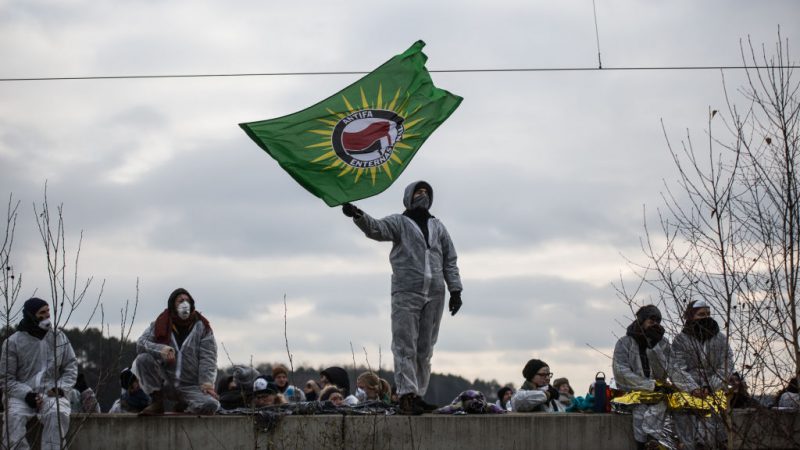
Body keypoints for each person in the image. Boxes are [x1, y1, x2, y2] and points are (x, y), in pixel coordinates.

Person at [342, 180, 463, 415]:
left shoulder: (438, 226)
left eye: (427, 192)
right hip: (406, 291)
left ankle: (418, 394)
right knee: (404, 345)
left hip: (435, 293)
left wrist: (455, 289)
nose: (423, 195)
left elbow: (450, 258)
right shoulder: (399, 222)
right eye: (419, 191)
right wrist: (358, 215)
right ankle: (406, 395)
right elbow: (376, 229)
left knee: (425, 349)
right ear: (409, 196)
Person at [0, 298, 78, 450]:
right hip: (20, 396)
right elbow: (6, 379)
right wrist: (27, 394)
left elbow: (71, 365)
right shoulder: (13, 343)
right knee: (13, 422)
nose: (47, 315)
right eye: (42, 312)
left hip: (50, 393)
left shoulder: (58, 337)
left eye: (48, 311)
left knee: (58, 414)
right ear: (31, 315)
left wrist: (61, 388)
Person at [133, 288, 220, 415]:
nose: (185, 304)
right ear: (173, 304)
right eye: (180, 301)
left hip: (191, 386)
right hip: (166, 382)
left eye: (187, 301)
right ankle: (157, 402)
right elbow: (141, 344)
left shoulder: (203, 327)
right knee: (143, 359)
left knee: (212, 405)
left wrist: (207, 384)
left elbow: (208, 357)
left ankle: (185, 406)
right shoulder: (160, 324)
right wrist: (161, 350)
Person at [670, 300, 733, 450]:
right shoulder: (680, 340)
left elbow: (726, 365)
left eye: (708, 314)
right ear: (691, 317)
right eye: (701, 314)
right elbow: (677, 368)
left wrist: (709, 386)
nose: (706, 317)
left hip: (714, 390)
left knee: (713, 429)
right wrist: (693, 389)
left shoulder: (720, 339)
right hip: (688, 392)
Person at [612, 305, 672, 450]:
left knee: (660, 408)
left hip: (658, 395)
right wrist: (648, 385)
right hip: (632, 394)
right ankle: (643, 445)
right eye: (651, 321)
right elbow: (620, 372)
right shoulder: (624, 342)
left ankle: (653, 442)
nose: (655, 324)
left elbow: (664, 372)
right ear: (642, 321)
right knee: (640, 412)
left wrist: (654, 346)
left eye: (658, 321)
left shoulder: (663, 343)